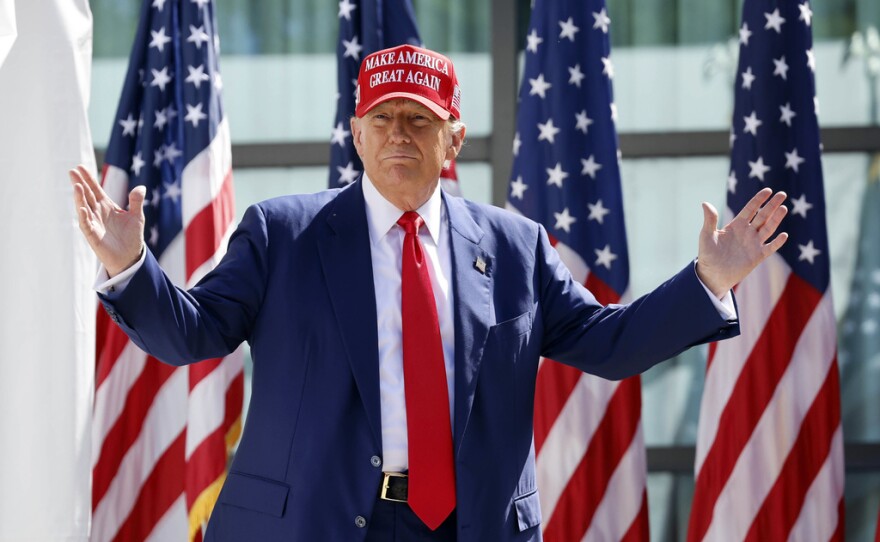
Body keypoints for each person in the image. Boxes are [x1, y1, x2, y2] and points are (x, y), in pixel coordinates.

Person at [70, 44, 788, 542]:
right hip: (313, 523)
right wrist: (132, 264)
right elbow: (190, 333)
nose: (398, 136)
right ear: (355, 133)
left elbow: (610, 344)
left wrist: (708, 283)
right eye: (381, 119)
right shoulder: (282, 234)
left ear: (455, 139)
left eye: (419, 120)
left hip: (465, 525)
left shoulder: (515, 248)